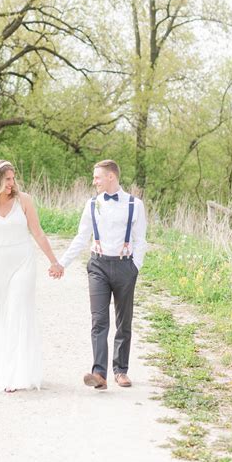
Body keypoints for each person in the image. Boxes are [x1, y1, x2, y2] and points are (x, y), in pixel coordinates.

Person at [0, 159, 64, 393]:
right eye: (8, 179)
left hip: (23, 261)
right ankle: (1, 365)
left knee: (18, 310)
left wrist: (54, 261)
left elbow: (38, 233)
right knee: (1, 312)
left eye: (13, 178)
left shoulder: (24, 201)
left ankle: (13, 374)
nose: (12, 183)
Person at [59, 159, 147, 390]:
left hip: (124, 267)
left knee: (123, 321)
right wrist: (62, 263)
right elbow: (81, 237)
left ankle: (121, 370)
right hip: (98, 265)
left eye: (97, 177)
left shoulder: (134, 204)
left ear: (111, 176)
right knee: (99, 320)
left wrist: (135, 266)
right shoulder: (91, 204)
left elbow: (140, 240)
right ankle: (100, 374)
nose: (94, 181)